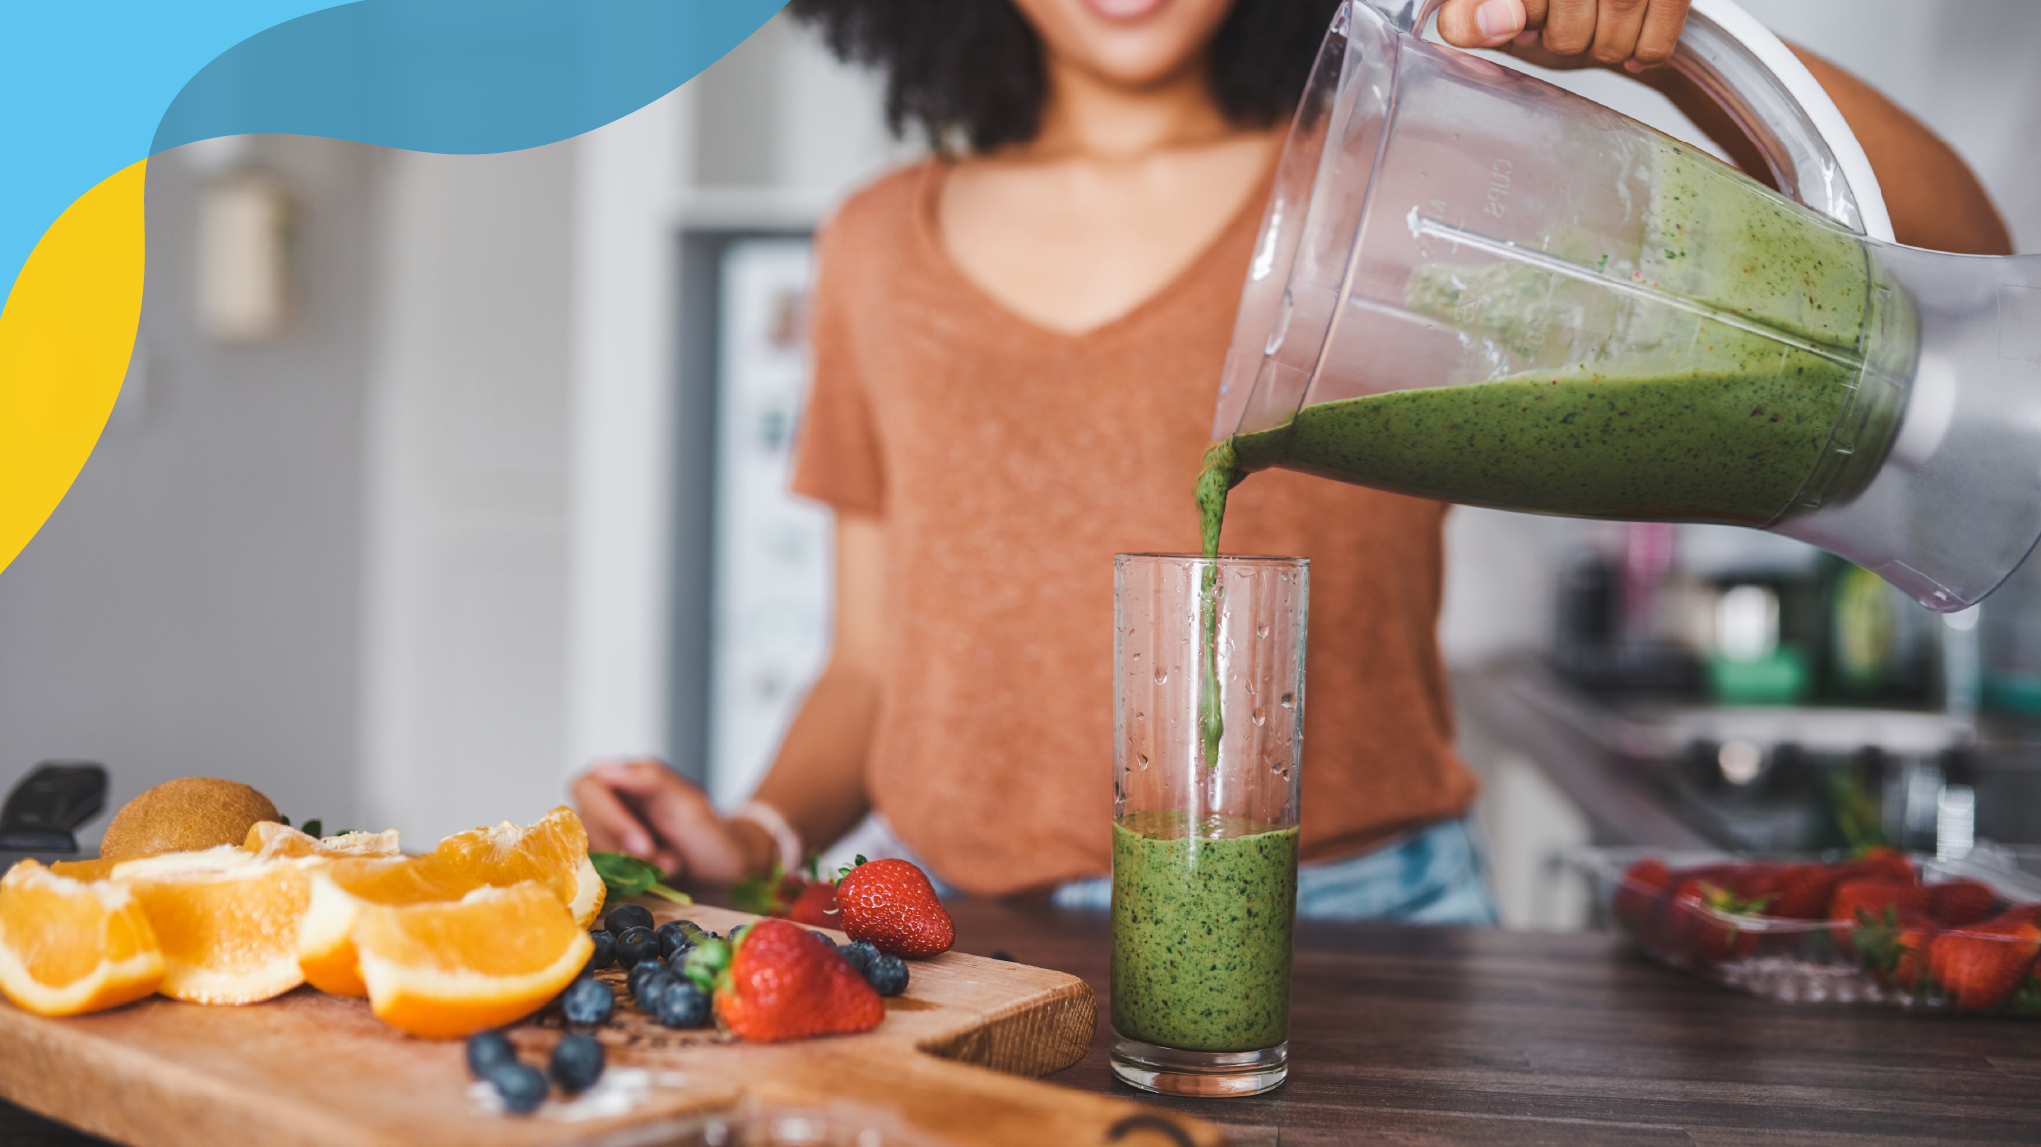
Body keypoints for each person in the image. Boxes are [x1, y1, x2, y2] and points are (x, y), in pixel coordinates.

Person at [574, 0, 2012, 918]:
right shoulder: (875, 244)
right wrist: (754, 831)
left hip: (1364, 921)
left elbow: (1961, 264)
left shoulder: (1414, 182)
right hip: (956, 932)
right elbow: (874, 665)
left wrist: (1675, 38)